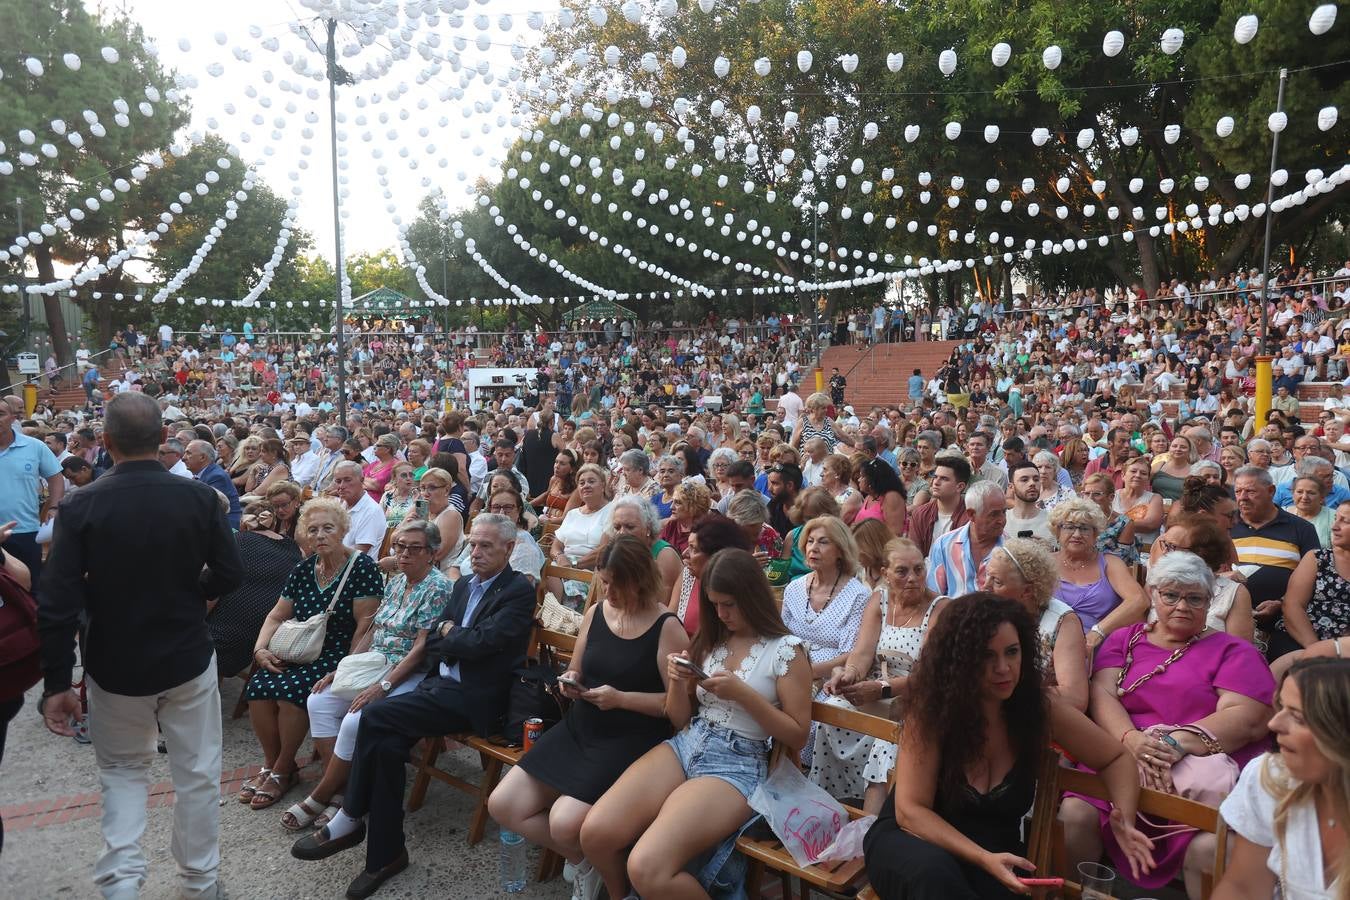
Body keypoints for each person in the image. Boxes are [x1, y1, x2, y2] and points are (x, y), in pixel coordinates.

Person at [37, 391, 245, 900]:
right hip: (186, 655)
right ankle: (198, 884)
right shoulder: (197, 497)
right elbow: (229, 573)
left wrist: (56, 684)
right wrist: (186, 591)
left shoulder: (82, 504)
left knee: (124, 774)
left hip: (115, 660)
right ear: (163, 441)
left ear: (106, 442)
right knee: (196, 774)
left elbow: (56, 604)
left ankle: (122, 885)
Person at [290, 514, 537, 899]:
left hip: (476, 699)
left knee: (373, 715)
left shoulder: (517, 591)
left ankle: (351, 815)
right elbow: (440, 643)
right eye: (473, 544)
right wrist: (455, 635)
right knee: (386, 744)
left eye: (486, 546)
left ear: (509, 548)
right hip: (441, 684)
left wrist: (451, 633)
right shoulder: (466, 584)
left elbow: (480, 644)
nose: (476, 552)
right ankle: (386, 855)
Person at [863, 594, 1156, 900]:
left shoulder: (1038, 709)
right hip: (915, 842)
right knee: (935, 875)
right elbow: (910, 812)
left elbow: (1115, 758)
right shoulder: (933, 712)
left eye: (1012, 652)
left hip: (994, 855)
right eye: (987, 656)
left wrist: (1125, 818)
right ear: (960, 660)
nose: (1003, 668)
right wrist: (983, 858)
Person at [579, 549, 813, 900]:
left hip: (739, 762)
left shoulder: (786, 650)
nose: (722, 613)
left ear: (752, 596)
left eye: (729, 604)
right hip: (690, 740)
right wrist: (676, 680)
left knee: (647, 867)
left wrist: (743, 695)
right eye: (715, 604)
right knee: (595, 834)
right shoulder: (712, 637)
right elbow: (679, 718)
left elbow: (797, 734)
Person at [1060, 551, 1275, 899]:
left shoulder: (1232, 650)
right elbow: (1101, 695)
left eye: (1195, 598)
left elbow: (1246, 717)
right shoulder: (1124, 639)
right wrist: (1130, 740)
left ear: (1209, 601)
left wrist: (1171, 745)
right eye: (1170, 595)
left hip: (1196, 768)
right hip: (1120, 755)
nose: (1182, 606)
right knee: (1074, 813)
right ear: (1153, 593)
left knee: (1208, 848)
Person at [488, 535, 689, 900]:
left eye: (616, 583)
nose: (607, 590)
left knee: (564, 823)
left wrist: (621, 699)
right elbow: (578, 667)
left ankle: (602, 870)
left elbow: (677, 709)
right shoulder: (597, 612)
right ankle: (586, 863)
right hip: (582, 725)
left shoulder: (666, 627)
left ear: (640, 579)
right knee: (503, 804)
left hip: (631, 738)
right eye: (604, 580)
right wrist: (571, 681)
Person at [284, 519, 453, 832]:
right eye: (399, 546)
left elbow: (421, 649)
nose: (403, 554)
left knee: (354, 718)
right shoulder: (398, 580)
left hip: (408, 671)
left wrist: (383, 685)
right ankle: (344, 789)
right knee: (319, 700)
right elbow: (374, 628)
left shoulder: (438, 587)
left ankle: (324, 793)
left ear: (432, 553)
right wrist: (344, 667)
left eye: (414, 549)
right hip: (376, 661)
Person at [241, 497, 383, 810]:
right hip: (300, 647)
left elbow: (365, 627)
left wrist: (344, 668)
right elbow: (277, 615)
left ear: (343, 529)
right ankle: (275, 764)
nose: (320, 535)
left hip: (338, 652)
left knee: (292, 692)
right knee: (259, 687)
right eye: (313, 529)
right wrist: (260, 649)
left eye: (328, 528)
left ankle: (282, 768)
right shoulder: (305, 568)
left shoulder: (361, 568)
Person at [812, 538, 946, 813]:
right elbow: (862, 653)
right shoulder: (880, 599)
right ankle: (833, 803)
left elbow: (930, 675)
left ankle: (874, 815)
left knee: (890, 737)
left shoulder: (941, 608)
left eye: (919, 569)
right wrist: (849, 675)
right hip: (876, 685)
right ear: (885, 573)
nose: (913, 578)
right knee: (833, 710)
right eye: (902, 571)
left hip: (917, 696)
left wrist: (881, 688)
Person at [1213, 658, 1350, 900]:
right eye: (1281, 708)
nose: (1274, 724)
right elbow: (1243, 888)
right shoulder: (1272, 778)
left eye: (1298, 717)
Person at [983, 538, 1088, 711]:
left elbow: (1075, 697)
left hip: (1042, 718)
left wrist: (1007, 694)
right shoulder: (984, 612)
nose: (985, 586)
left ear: (1027, 591)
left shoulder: (1062, 621)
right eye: (987, 576)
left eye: (997, 582)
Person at [206, 501, 304, 678]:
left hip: (223, 636)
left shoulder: (237, 540)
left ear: (244, 523)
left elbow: (212, 590)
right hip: (267, 636)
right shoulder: (294, 548)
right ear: (273, 524)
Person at [1232, 465, 1322, 658]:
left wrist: (1281, 603)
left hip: (1283, 620)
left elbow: (1316, 577)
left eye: (1250, 491)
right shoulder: (1226, 524)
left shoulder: (1301, 528)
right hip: (1229, 616)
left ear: (1271, 491)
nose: (1243, 497)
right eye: (1238, 491)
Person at [1050, 498, 1150, 648]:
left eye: (1084, 528)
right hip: (1050, 641)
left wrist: (1098, 632)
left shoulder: (1110, 563)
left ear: (1095, 533)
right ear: (1057, 531)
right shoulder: (1045, 563)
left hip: (1099, 644)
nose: (1077, 534)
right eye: (1069, 527)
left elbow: (1138, 600)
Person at [781, 516, 872, 681]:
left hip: (832, 678)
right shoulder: (793, 588)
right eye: (810, 541)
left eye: (823, 542)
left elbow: (850, 655)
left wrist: (808, 672)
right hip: (788, 670)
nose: (813, 548)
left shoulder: (857, 595)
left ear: (840, 550)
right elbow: (780, 637)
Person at [1151, 518, 1256, 641]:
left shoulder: (1233, 593)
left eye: (1171, 547)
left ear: (1200, 553)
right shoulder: (1155, 583)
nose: (1163, 553)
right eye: (1164, 544)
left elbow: (1240, 653)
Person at [0, 399, 63, 587]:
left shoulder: (34, 446)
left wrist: (54, 506)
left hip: (25, 531)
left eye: (1, 414)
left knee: (30, 587)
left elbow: (55, 477)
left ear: (12, 417)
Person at [667, 514, 754, 637]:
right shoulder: (687, 577)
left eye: (694, 549)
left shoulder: (740, 586)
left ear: (716, 554)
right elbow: (670, 624)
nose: (685, 554)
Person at [1280, 503, 1350, 654]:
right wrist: (1316, 649)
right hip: (1303, 640)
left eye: (1345, 521)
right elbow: (1292, 605)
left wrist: (1338, 649)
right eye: (1336, 519)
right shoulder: (1318, 558)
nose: (1335, 527)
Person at [926, 481, 1007, 597]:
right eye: (994, 514)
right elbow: (934, 596)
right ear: (971, 515)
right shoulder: (944, 545)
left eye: (1004, 512)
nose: (1002, 520)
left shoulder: (1011, 549)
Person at [549, 463, 615, 602]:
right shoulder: (572, 514)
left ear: (603, 485)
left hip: (591, 572)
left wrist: (573, 565)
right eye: (582, 483)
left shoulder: (612, 511)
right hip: (562, 566)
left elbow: (604, 550)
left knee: (552, 579)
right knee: (543, 574)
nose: (586, 486)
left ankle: (556, 614)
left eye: (591, 481)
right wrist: (560, 556)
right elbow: (556, 546)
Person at [611, 494, 683, 596]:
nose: (622, 533)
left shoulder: (665, 555)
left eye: (630, 527)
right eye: (617, 527)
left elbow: (663, 604)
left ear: (648, 528)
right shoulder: (616, 552)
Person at [907, 455, 972, 556]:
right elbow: (914, 555)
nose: (936, 482)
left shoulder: (971, 519)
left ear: (960, 487)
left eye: (944, 479)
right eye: (935, 477)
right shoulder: (920, 514)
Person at [331, 461, 390, 560]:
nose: (341, 486)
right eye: (338, 481)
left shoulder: (371, 511)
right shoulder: (340, 506)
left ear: (362, 480)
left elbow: (359, 555)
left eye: (347, 480)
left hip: (355, 570)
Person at [1081, 472, 1141, 566]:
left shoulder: (1124, 523)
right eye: (1086, 493)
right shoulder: (1079, 519)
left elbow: (1120, 561)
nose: (1090, 498)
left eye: (1097, 494)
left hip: (1114, 572)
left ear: (1111, 497)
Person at [183, 439, 242, 529]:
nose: (183, 458)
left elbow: (205, 510)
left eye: (188, 453)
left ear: (202, 457)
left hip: (227, 528)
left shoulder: (216, 477)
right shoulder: (205, 473)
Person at [1114, 456, 1165, 547]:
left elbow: (1150, 525)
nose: (1137, 475)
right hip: (1112, 548)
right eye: (1133, 471)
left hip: (1143, 552)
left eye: (1143, 473)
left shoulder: (1155, 498)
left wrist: (1113, 519)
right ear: (1123, 475)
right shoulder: (1112, 496)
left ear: (1148, 479)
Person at [1003, 460, 1054, 545]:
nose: (1032, 483)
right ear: (1011, 487)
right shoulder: (1001, 521)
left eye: (1036, 479)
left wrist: (1051, 550)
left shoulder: (1052, 522)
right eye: (1024, 480)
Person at [854, 457, 908, 537]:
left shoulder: (892, 497)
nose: (859, 480)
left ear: (873, 479)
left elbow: (895, 533)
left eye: (862, 477)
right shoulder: (869, 497)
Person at [658, 480, 711, 557]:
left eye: (678, 503)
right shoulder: (672, 525)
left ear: (693, 506)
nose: (671, 507)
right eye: (672, 502)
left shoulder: (705, 531)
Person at [531, 448, 578, 524]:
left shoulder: (577, 490)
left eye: (562, 464)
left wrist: (545, 521)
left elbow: (565, 519)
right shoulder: (554, 479)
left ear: (572, 469)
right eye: (556, 462)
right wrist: (527, 505)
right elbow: (546, 495)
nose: (557, 466)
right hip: (546, 522)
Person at [1285, 475, 1333, 547]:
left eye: (1311, 493)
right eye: (1300, 492)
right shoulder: (1282, 514)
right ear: (1293, 494)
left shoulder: (1334, 517)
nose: (1304, 497)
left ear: (1322, 497)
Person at [1152, 434, 1197, 501]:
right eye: (1174, 446)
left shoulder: (1195, 470)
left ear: (1189, 451)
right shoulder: (1159, 465)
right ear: (1169, 449)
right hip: (1157, 508)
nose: (1178, 449)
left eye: (1183, 447)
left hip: (1182, 509)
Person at [361, 434, 399, 502]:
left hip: (380, 503)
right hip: (363, 499)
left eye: (378, 445)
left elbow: (378, 485)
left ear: (387, 449)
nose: (374, 447)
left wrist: (364, 481)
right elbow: (358, 478)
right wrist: (370, 482)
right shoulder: (373, 464)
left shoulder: (396, 466)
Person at [380, 462, 417, 527]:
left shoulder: (418, 495)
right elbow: (379, 518)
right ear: (394, 478)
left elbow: (423, 521)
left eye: (411, 475)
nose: (408, 478)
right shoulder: (387, 496)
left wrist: (417, 502)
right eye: (404, 475)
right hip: (388, 534)